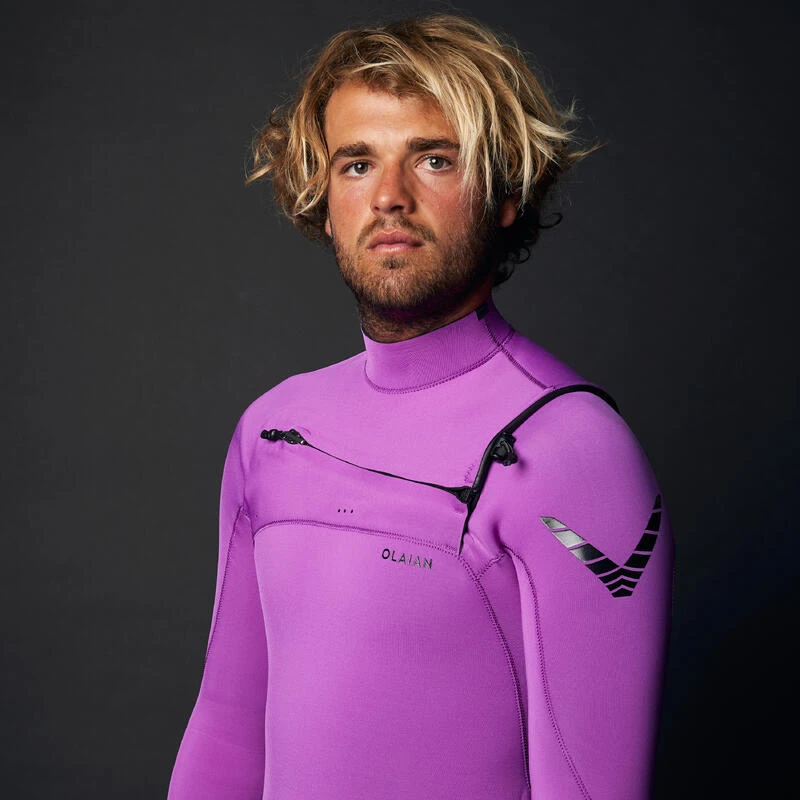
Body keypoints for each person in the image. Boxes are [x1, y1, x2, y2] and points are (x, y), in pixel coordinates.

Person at [168, 13, 673, 800]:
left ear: (506, 193)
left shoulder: (573, 451)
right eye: (357, 163)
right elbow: (227, 730)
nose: (390, 197)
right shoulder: (272, 430)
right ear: (324, 199)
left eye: (435, 159)